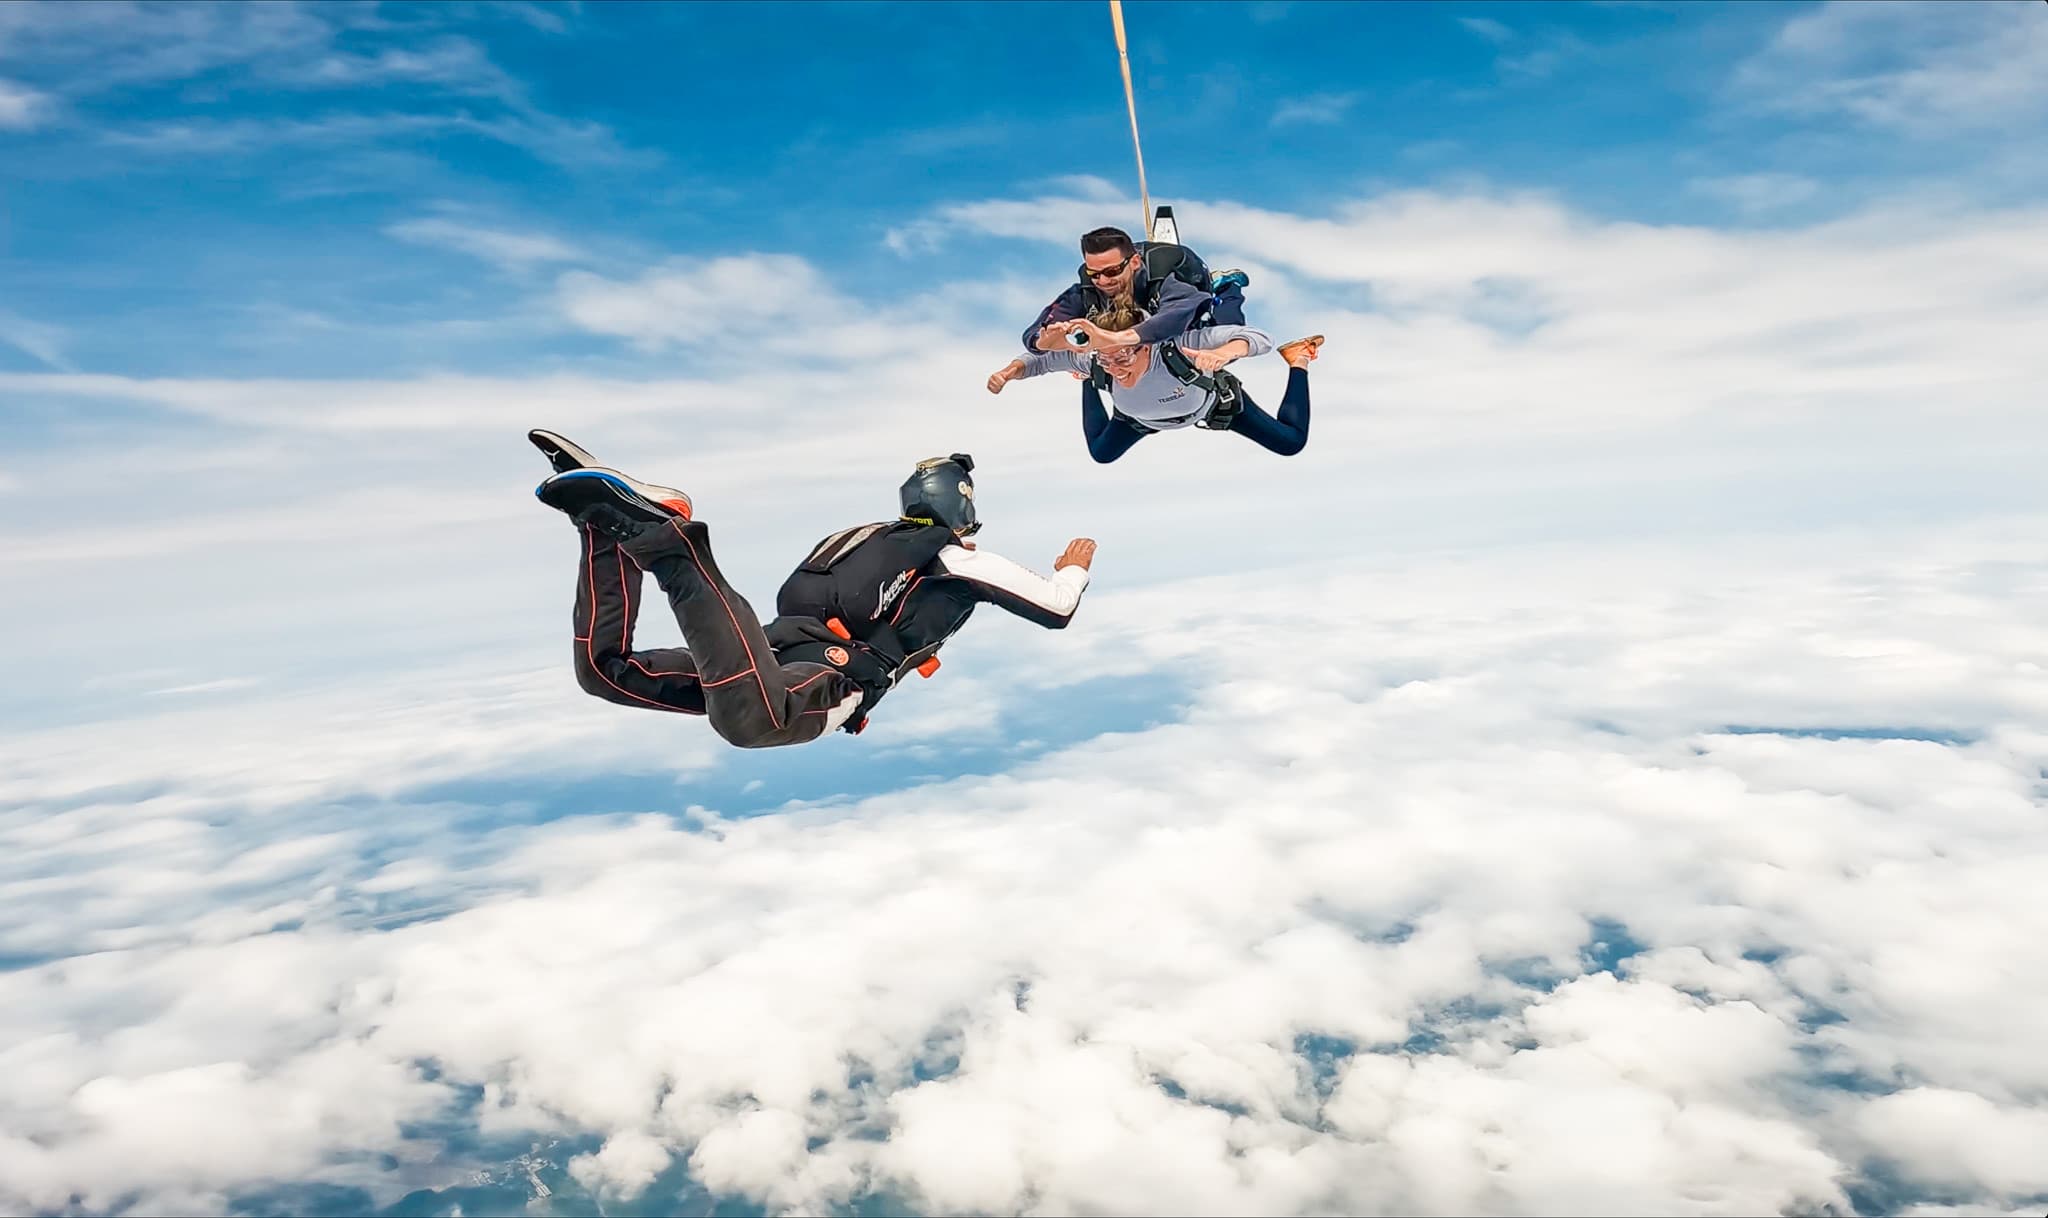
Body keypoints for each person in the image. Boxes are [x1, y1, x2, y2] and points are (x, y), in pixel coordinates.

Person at [527, 430, 1098, 747]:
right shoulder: (954, 558)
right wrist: (1071, 568)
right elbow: (1057, 609)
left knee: (605, 671)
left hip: (772, 646)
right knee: (754, 723)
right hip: (836, 671)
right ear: (962, 507)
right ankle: (669, 539)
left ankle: (603, 526)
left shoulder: (858, 537)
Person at [988, 303, 1325, 464]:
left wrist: (1222, 353)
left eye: (1123, 357)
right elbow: (1041, 360)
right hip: (1139, 419)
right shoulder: (1097, 356)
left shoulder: (1177, 346)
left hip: (1213, 406)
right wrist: (1008, 373)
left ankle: (1298, 358)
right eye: (1106, 358)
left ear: (1144, 343)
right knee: (1102, 454)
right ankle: (1086, 382)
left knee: (1290, 443)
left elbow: (1258, 338)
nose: (1116, 366)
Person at [1020, 226, 1249, 355]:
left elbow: (1173, 318)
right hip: (1141, 308)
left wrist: (1115, 338)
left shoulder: (1168, 280)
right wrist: (1044, 341)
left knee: (1220, 333)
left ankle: (1225, 283)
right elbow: (1034, 331)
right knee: (1097, 324)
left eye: (1111, 272)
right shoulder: (1087, 288)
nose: (1103, 280)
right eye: (1094, 273)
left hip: (1196, 298)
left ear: (1135, 263)